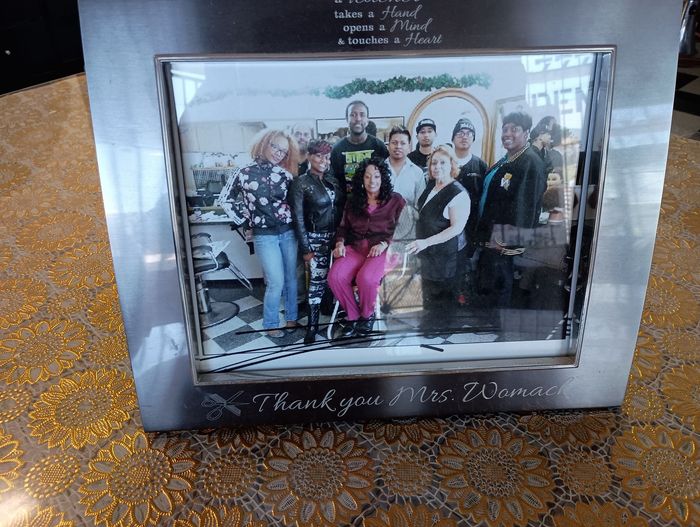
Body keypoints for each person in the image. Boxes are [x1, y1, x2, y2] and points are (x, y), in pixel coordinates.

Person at [218, 129, 300, 338]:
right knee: (276, 281)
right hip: (265, 236)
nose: (278, 153)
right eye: (275, 146)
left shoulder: (285, 175)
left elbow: (294, 206)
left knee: (291, 278)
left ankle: (292, 317)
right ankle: (271, 322)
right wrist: (245, 221)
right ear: (264, 143)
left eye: (283, 151)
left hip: (288, 232)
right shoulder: (243, 172)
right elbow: (224, 199)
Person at [474, 111, 546, 308]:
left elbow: (525, 206)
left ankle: (496, 331)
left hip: (503, 240)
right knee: (490, 283)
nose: (507, 133)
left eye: (514, 129)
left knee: (501, 285)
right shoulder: (507, 159)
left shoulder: (530, 162)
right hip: (491, 235)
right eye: (505, 129)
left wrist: (505, 240)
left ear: (526, 132)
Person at [328, 158, 405, 337]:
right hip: (356, 248)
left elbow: (405, 228)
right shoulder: (353, 201)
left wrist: (385, 243)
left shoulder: (396, 200)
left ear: (383, 178)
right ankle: (352, 315)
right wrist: (339, 242)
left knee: (367, 278)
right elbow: (342, 227)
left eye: (376, 176)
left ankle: (366, 315)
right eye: (367, 176)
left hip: (385, 251)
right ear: (361, 180)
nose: (372, 181)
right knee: (335, 277)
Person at [406, 146, 469, 335]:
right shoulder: (431, 186)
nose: (437, 166)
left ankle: (441, 331)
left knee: (444, 292)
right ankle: (431, 325)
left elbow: (456, 228)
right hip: (429, 253)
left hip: (447, 254)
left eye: (443, 162)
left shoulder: (458, 193)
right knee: (430, 290)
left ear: (452, 165)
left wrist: (426, 242)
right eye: (434, 162)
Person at [289, 140, 345, 344]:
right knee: (316, 283)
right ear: (310, 157)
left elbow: (341, 210)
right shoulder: (300, 183)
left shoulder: (333, 181)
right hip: (315, 240)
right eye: (319, 155)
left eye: (327, 156)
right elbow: (298, 218)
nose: (324, 160)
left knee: (338, 278)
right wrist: (306, 248)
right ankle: (312, 326)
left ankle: (338, 317)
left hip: (337, 239)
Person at [451, 118, 488, 305]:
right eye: (460, 133)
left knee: (469, 265)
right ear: (453, 138)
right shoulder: (445, 163)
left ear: (473, 139)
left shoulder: (480, 165)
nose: (464, 137)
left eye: (469, 134)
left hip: (471, 227)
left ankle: (466, 303)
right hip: (448, 226)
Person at [330, 100, 389, 191]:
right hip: (346, 203)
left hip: (375, 203)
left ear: (367, 119)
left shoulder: (379, 146)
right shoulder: (337, 149)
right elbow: (333, 181)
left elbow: (385, 178)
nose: (358, 119)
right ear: (346, 119)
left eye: (362, 115)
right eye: (353, 115)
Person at [384, 125, 426, 243]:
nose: (398, 146)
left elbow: (420, 205)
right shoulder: (379, 170)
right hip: (381, 228)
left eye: (403, 143)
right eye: (394, 142)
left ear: (409, 147)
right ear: (388, 146)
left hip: (407, 230)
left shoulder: (417, 172)